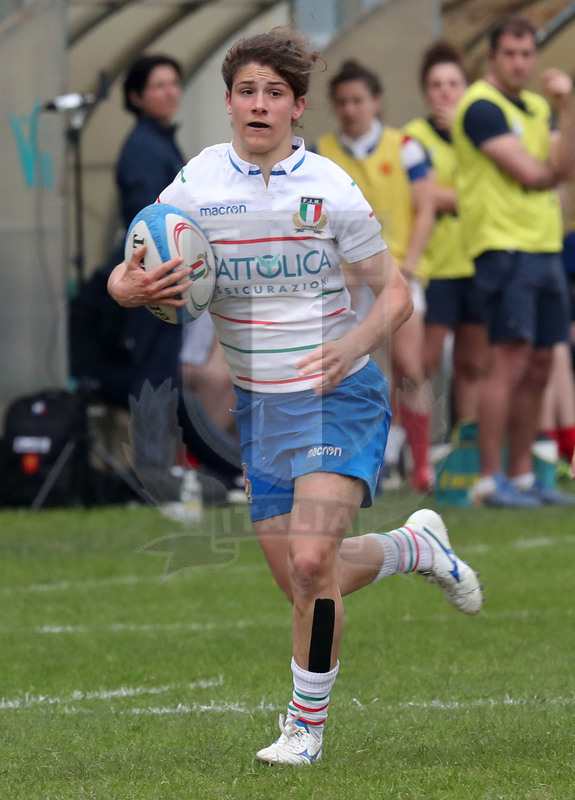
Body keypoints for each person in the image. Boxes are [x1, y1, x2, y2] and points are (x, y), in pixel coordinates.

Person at [108, 29, 483, 765]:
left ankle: (302, 729)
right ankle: (415, 546)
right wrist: (129, 284)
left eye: (273, 93)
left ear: (296, 107)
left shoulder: (330, 189)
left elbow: (395, 293)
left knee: (313, 562)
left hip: (338, 398)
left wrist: (351, 346)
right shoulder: (195, 185)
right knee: (312, 579)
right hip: (260, 410)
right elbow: (133, 265)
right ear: (227, 102)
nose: (258, 104)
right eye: (246, 91)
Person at [72, 53, 244, 505]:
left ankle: (175, 472)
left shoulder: (161, 143)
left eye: (174, 83)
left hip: (168, 278)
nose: (170, 92)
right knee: (152, 375)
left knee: (163, 374)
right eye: (158, 86)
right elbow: (148, 224)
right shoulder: (143, 149)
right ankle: (154, 478)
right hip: (155, 279)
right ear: (136, 96)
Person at [452, 15, 575, 507]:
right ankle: (488, 479)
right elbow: (538, 175)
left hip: (544, 244)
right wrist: (556, 158)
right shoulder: (481, 106)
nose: (521, 63)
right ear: (492, 56)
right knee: (507, 360)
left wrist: (565, 111)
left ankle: (524, 476)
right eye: (511, 54)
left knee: (543, 360)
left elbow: (564, 168)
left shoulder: (540, 106)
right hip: (502, 246)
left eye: (528, 54)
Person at [313, 60, 436, 493]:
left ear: (376, 101)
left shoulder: (405, 147)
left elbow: (425, 208)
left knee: (407, 365)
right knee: (349, 368)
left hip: (394, 271)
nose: (350, 109)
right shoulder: (320, 151)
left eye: (358, 100)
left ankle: (420, 464)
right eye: (342, 101)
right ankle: (362, 460)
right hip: (343, 278)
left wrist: (410, 264)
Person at [404, 43, 489, 426]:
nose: (445, 91)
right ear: (425, 90)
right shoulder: (413, 137)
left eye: (454, 83)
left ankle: (465, 447)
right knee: (421, 362)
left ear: (466, 88)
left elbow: (493, 188)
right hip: (433, 265)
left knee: (472, 363)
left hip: (477, 262)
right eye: (436, 84)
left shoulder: (479, 135)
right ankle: (409, 449)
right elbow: (422, 195)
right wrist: (464, 198)